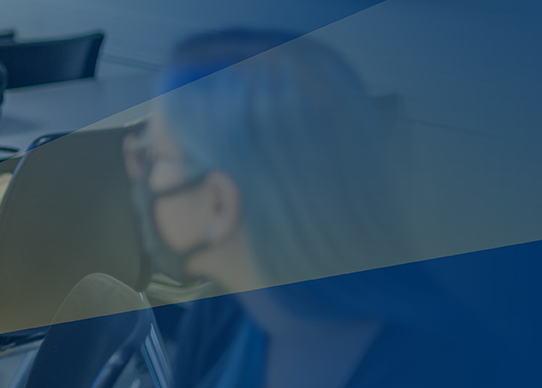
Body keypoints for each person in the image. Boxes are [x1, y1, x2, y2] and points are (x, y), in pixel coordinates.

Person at [113, 29, 507, 388]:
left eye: (153, 156)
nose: (139, 176)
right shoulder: (227, 310)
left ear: (220, 204)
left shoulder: (447, 370)